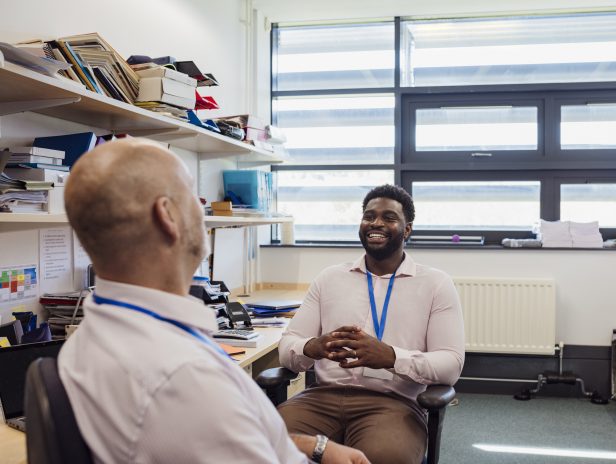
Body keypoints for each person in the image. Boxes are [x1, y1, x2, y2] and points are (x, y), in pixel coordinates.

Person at [59, 139, 369, 464]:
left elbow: (212, 434)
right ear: (167, 215)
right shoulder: (183, 376)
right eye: (192, 195)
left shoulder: (94, 336)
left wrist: (313, 446)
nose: (203, 208)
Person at [278, 184, 466, 464]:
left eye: (389, 217)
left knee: (383, 457)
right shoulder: (329, 279)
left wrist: (391, 357)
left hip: (392, 404)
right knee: (260, 443)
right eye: (369, 216)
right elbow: (287, 348)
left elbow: (451, 364)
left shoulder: (435, 284)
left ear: (407, 229)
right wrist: (313, 347)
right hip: (321, 398)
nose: (376, 223)